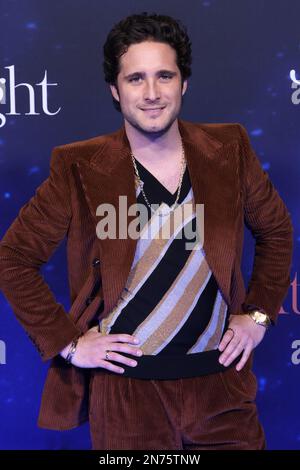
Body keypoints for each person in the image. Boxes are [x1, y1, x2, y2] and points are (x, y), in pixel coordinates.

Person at [0, 12, 293, 450]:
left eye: (164, 76)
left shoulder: (229, 150)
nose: (152, 93)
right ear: (115, 91)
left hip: (220, 391)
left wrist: (258, 314)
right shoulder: (79, 167)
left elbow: (277, 231)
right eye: (136, 79)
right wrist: (70, 344)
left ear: (184, 83)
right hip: (126, 397)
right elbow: (14, 258)